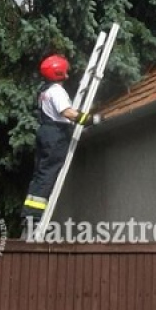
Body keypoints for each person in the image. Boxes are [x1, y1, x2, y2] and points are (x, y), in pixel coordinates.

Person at [20, 54, 103, 235]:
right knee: (48, 173)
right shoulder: (56, 91)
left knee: (40, 174)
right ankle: (35, 218)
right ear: (59, 72)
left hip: (46, 132)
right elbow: (67, 113)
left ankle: (30, 214)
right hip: (55, 135)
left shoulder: (44, 90)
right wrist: (90, 119)